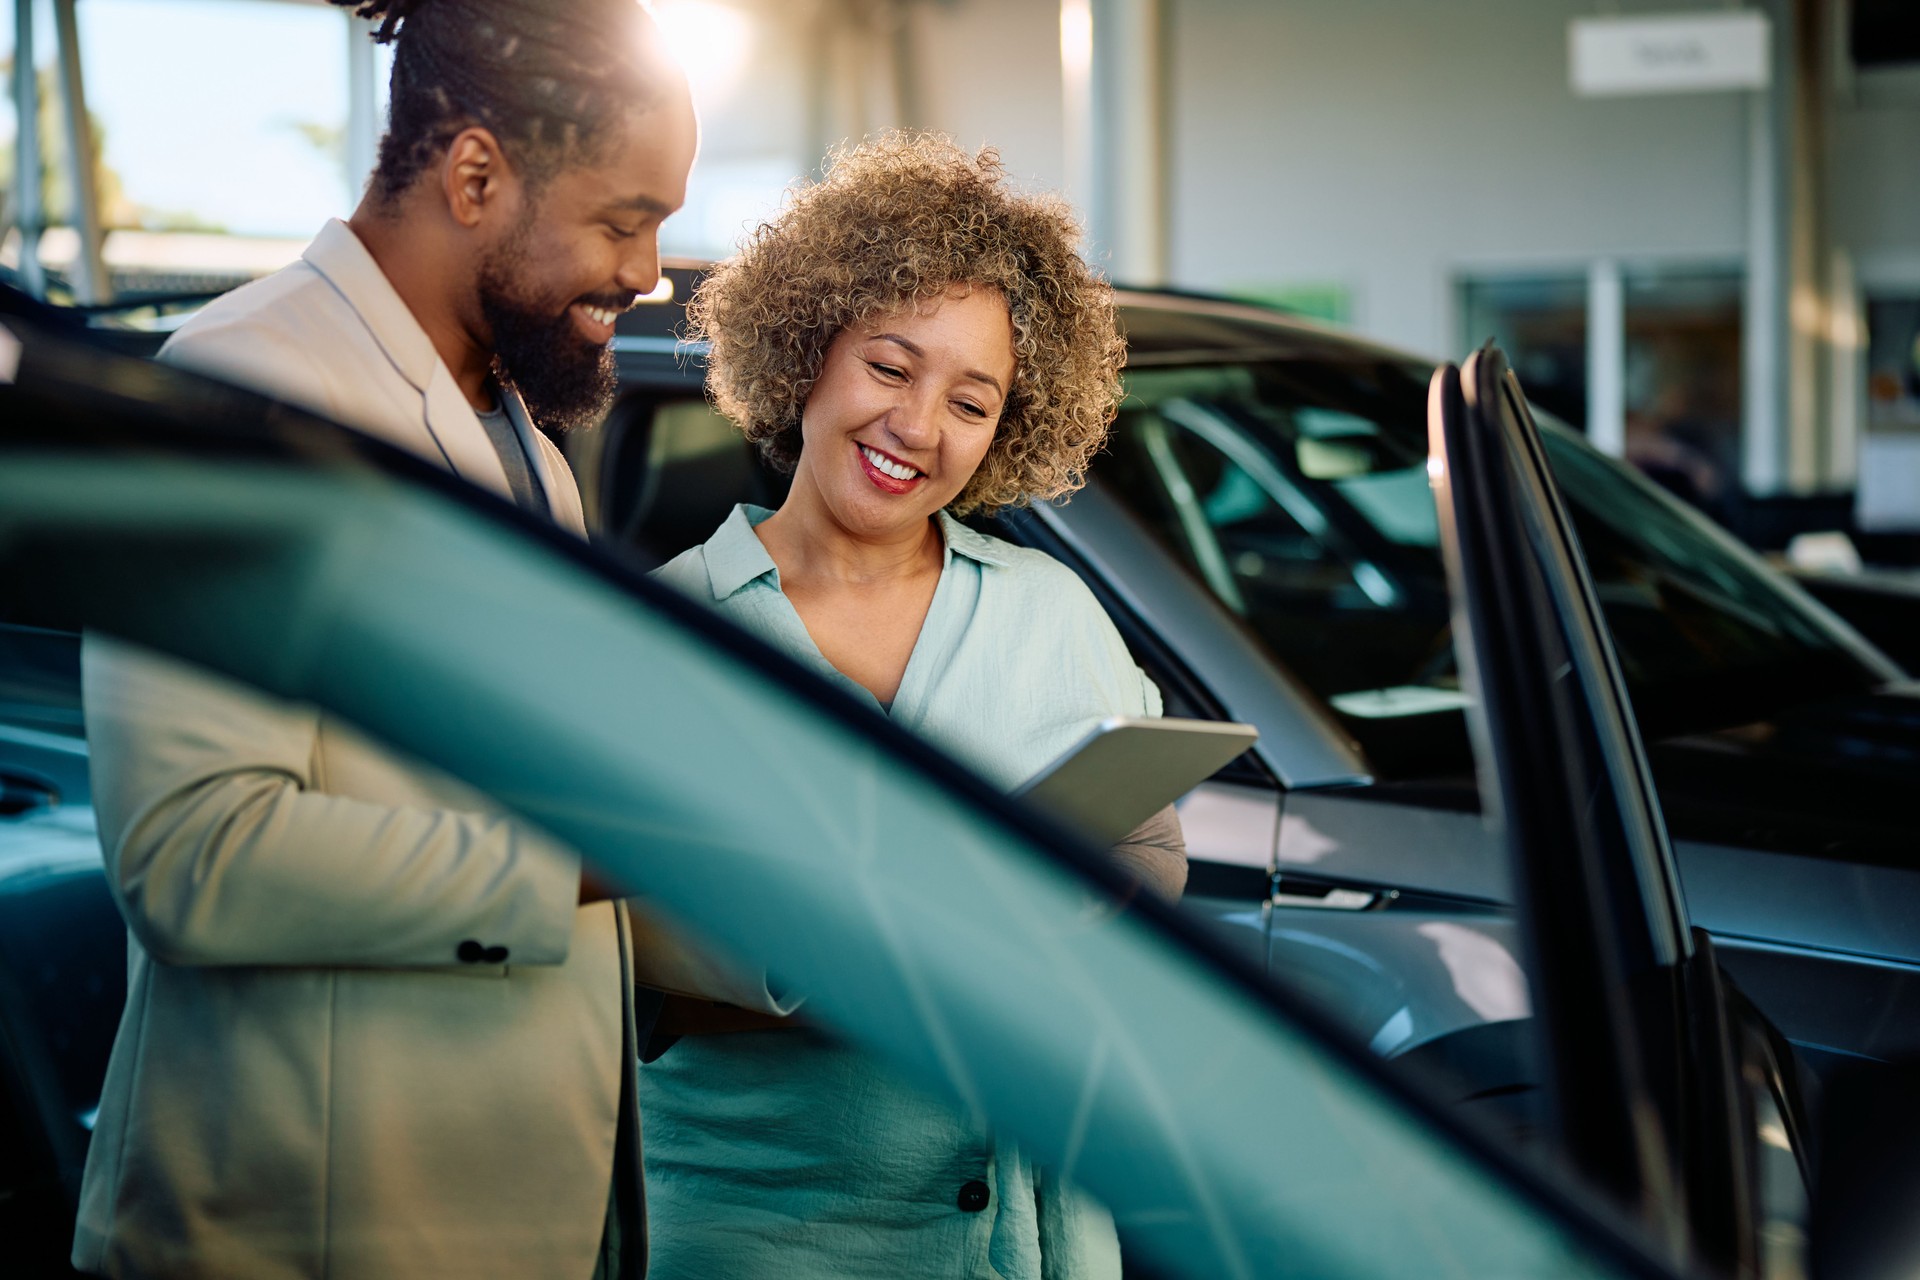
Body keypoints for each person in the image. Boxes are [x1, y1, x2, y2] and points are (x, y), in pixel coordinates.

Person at [72, 3, 716, 1277]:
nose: (649, 268)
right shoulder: (240, 395)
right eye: (622, 216)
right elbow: (194, 850)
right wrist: (598, 850)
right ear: (475, 173)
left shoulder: (527, 437)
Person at [641, 133, 1187, 1280]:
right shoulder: (663, 630)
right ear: (807, 352)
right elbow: (625, 953)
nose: (919, 429)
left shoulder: (1050, 607)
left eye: (972, 401)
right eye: (890, 369)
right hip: (756, 1239)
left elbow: (1143, 845)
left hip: (1029, 1241)